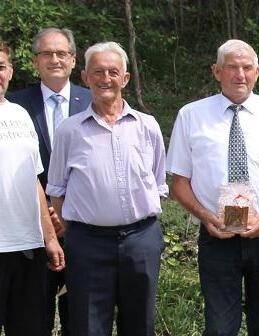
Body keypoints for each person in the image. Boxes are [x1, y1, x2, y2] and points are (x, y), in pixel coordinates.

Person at [167, 39, 259, 335]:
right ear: (216, 71)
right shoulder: (191, 115)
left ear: (257, 72)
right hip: (216, 237)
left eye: (247, 67)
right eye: (232, 67)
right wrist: (206, 216)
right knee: (220, 328)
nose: (240, 74)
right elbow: (179, 184)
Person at [46, 41, 167, 336]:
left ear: (125, 78)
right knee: (88, 326)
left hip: (141, 240)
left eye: (113, 72)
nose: (105, 79)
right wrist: (77, 232)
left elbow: (158, 181)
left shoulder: (148, 126)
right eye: (98, 72)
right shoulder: (69, 131)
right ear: (85, 77)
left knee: (140, 325)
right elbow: (57, 190)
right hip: (87, 244)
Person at [7, 27, 91, 336]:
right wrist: (48, 214)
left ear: (72, 59)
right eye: (46, 53)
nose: (54, 59)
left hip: (84, 228)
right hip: (32, 229)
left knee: (80, 318)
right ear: (34, 61)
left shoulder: (94, 99)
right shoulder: (14, 105)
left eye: (61, 53)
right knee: (33, 318)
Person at [0, 40, 65, 336]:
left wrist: (49, 238)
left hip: (28, 248)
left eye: (1, 67)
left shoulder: (20, 114)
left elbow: (34, 181)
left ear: (10, 71)